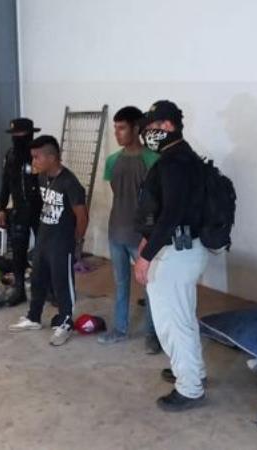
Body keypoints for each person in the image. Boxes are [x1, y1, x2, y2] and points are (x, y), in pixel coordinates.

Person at [134, 100, 208, 412]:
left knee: (172, 323)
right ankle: (193, 372)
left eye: (151, 128)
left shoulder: (174, 162)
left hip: (175, 252)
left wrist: (146, 256)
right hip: (185, 248)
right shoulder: (183, 157)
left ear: (167, 126)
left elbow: (172, 213)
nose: (147, 135)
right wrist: (147, 240)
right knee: (183, 317)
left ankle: (189, 388)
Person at [9, 135, 89, 346]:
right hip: (44, 238)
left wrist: (77, 242)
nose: (34, 162)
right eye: (33, 157)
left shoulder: (70, 183)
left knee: (62, 284)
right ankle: (34, 317)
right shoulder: (43, 177)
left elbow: (82, 216)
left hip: (62, 242)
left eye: (37, 157)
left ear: (52, 157)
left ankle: (65, 323)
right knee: (37, 279)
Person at [98, 106, 162, 354]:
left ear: (136, 129)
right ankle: (120, 328)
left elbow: (158, 200)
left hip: (142, 236)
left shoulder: (152, 160)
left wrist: (150, 234)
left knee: (150, 286)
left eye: (122, 128)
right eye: (115, 128)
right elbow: (117, 194)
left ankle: (152, 334)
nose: (117, 133)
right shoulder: (113, 161)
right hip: (117, 231)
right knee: (121, 282)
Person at [0, 118, 43, 307]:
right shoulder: (10, 156)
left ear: (29, 134)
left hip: (40, 210)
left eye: (20, 133)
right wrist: (1, 207)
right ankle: (20, 290)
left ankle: (50, 289)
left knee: (45, 250)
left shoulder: (40, 155)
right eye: (14, 134)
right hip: (19, 210)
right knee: (18, 253)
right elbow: (5, 182)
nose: (16, 137)